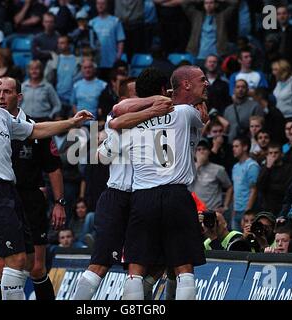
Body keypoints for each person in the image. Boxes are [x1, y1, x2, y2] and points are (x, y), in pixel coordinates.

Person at [0, 28, 92, 300]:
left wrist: (71, 123)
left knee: (25, 260)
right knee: (14, 261)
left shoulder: (1, 115)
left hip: (8, 193)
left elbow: (36, 130)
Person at [72, 69, 172, 300]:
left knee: (148, 264)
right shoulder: (115, 121)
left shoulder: (156, 122)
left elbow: (165, 158)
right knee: (101, 263)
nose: (146, 101)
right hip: (117, 196)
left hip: (144, 197)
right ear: (123, 102)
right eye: (138, 97)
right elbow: (104, 156)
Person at [122, 65, 208, 300]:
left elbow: (117, 112)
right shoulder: (184, 113)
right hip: (176, 195)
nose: (206, 83)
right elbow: (202, 118)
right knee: (183, 268)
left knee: (136, 270)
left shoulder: (130, 119)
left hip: (143, 196)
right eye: (202, 80)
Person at [0, 76, 65, 299]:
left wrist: (59, 203)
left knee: (36, 268)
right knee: (3, 270)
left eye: (7, 92)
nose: (1, 96)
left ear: (19, 97)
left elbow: (53, 168)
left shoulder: (37, 129)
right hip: (1, 199)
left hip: (30, 199)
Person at [191, 139, 233, 212]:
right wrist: (198, 166)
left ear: (209, 152)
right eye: (199, 149)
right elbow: (187, 184)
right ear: (195, 153)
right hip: (195, 211)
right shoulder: (190, 169)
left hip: (212, 211)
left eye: (204, 149)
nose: (201, 152)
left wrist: (225, 206)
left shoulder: (218, 169)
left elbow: (229, 187)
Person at [88, 0, 125, 80]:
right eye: (98, 3)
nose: (100, 6)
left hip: (112, 61)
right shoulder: (92, 23)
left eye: (102, 3)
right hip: (97, 62)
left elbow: (120, 40)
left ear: (107, 5)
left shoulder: (115, 21)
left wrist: (118, 56)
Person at [231, 136, 260, 231]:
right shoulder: (235, 166)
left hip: (247, 211)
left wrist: (248, 210)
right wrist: (234, 208)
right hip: (236, 210)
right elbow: (235, 189)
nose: (233, 149)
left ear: (245, 147)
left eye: (236, 146)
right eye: (233, 146)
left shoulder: (252, 166)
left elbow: (254, 190)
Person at [256, 143, 292, 215]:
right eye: (270, 153)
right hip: (267, 208)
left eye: (276, 153)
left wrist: (268, 187)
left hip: (282, 206)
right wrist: (268, 168)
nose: (273, 155)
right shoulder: (265, 167)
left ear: (281, 154)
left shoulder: (288, 168)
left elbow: (286, 188)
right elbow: (259, 186)